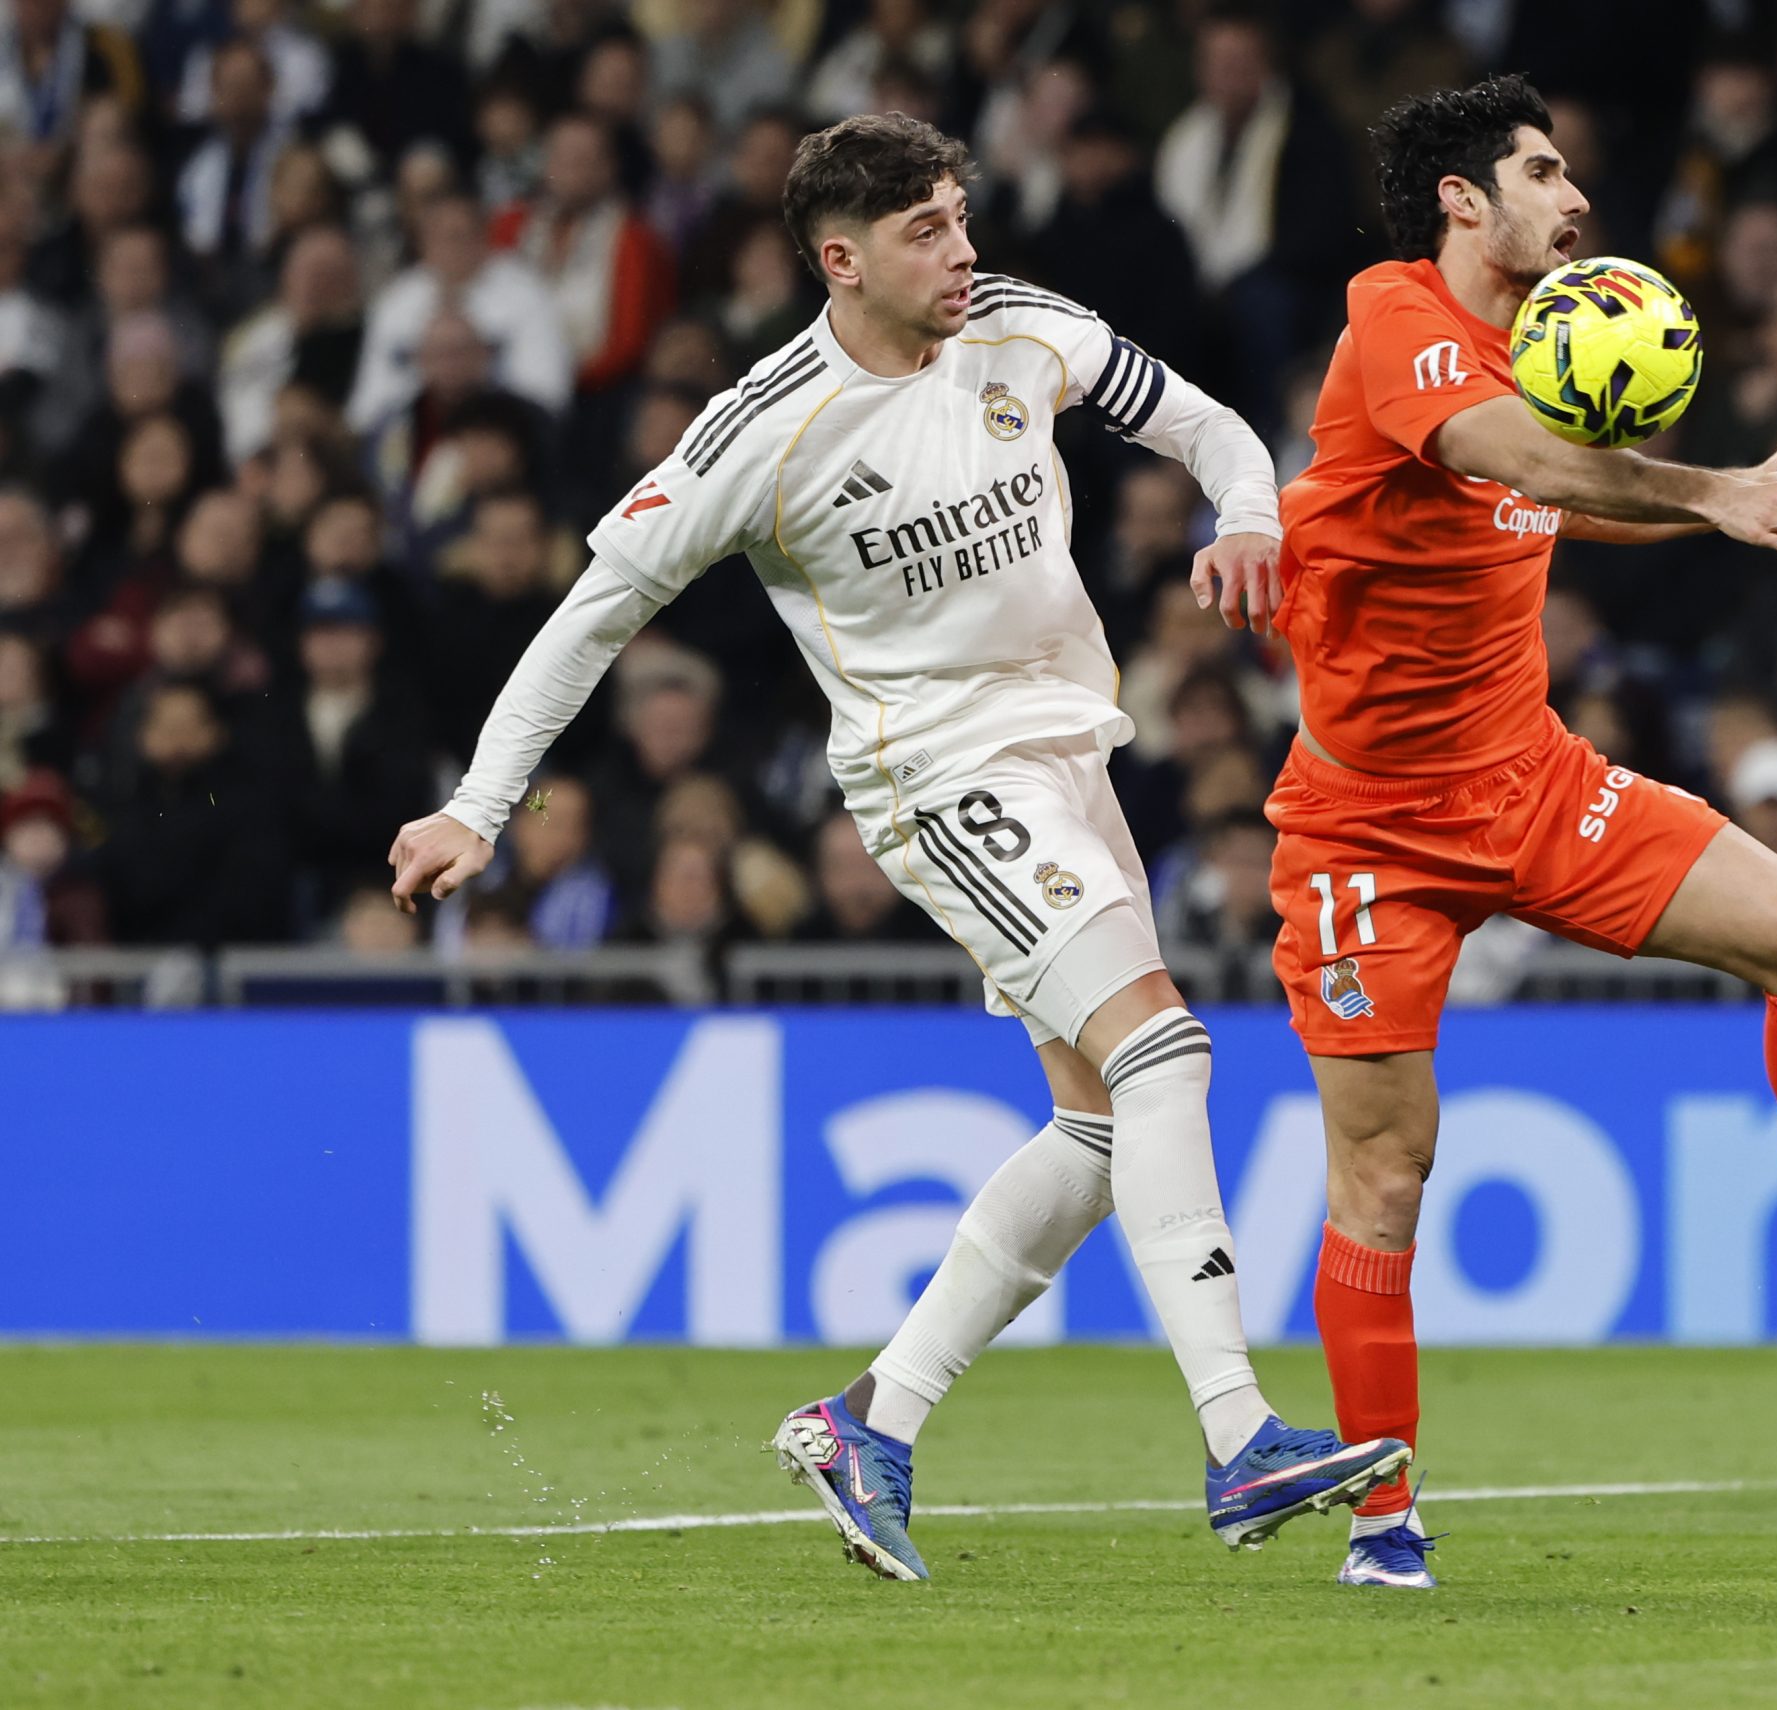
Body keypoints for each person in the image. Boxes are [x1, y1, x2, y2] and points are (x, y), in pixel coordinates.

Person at [381, 114, 1408, 1583]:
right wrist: (481, 806)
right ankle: (1241, 1436)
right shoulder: (763, 430)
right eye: (928, 230)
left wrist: (1249, 510)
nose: (964, 250)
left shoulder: (1018, 328)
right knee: (1164, 1053)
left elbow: (1205, 420)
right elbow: (593, 610)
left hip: (1071, 746)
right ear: (840, 257)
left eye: (963, 216)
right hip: (939, 776)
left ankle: (873, 1419)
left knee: (1103, 1128)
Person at [1251, 77, 1777, 1595]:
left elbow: (1564, 499)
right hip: (1366, 832)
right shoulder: (1393, 323)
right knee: (1384, 1176)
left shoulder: (1534, 352)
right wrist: (1718, 486)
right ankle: (1384, 1519)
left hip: (1526, 779)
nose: (1574, 195)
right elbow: (1523, 464)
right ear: (1465, 201)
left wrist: (1732, 499)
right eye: (1542, 171)